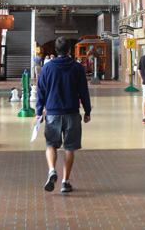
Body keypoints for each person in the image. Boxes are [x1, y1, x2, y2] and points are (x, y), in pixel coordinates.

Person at [36, 37, 91, 194]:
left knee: (51, 144)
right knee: (69, 147)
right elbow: (83, 92)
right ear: (69, 50)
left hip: (53, 113)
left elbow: (41, 91)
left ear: (55, 51)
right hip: (72, 113)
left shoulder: (47, 68)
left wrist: (39, 111)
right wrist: (87, 111)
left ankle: (52, 170)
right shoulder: (77, 68)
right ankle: (65, 182)